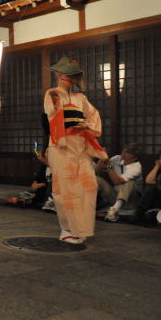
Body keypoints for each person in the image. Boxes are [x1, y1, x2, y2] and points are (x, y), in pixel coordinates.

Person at [44, 56, 107, 244]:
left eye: (73, 76)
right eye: (66, 75)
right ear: (58, 75)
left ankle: (80, 227)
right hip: (61, 146)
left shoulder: (81, 97)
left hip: (80, 145)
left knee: (88, 185)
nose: (69, 79)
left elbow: (93, 115)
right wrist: (58, 103)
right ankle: (67, 229)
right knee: (64, 188)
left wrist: (86, 126)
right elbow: (52, 115)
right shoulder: (52, 93)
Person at [96, 143, 143, 222]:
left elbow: (117, 181)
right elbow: (99, 170)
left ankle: (115, 209)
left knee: (129, 182)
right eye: (124, 151)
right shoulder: (117, 159)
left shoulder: (136, 167)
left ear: (135, 158)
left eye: (128, 153)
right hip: (114, 196)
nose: (123, 154)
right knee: (96, 179)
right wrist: (102, 158)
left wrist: (108, 165)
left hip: (130, 201)